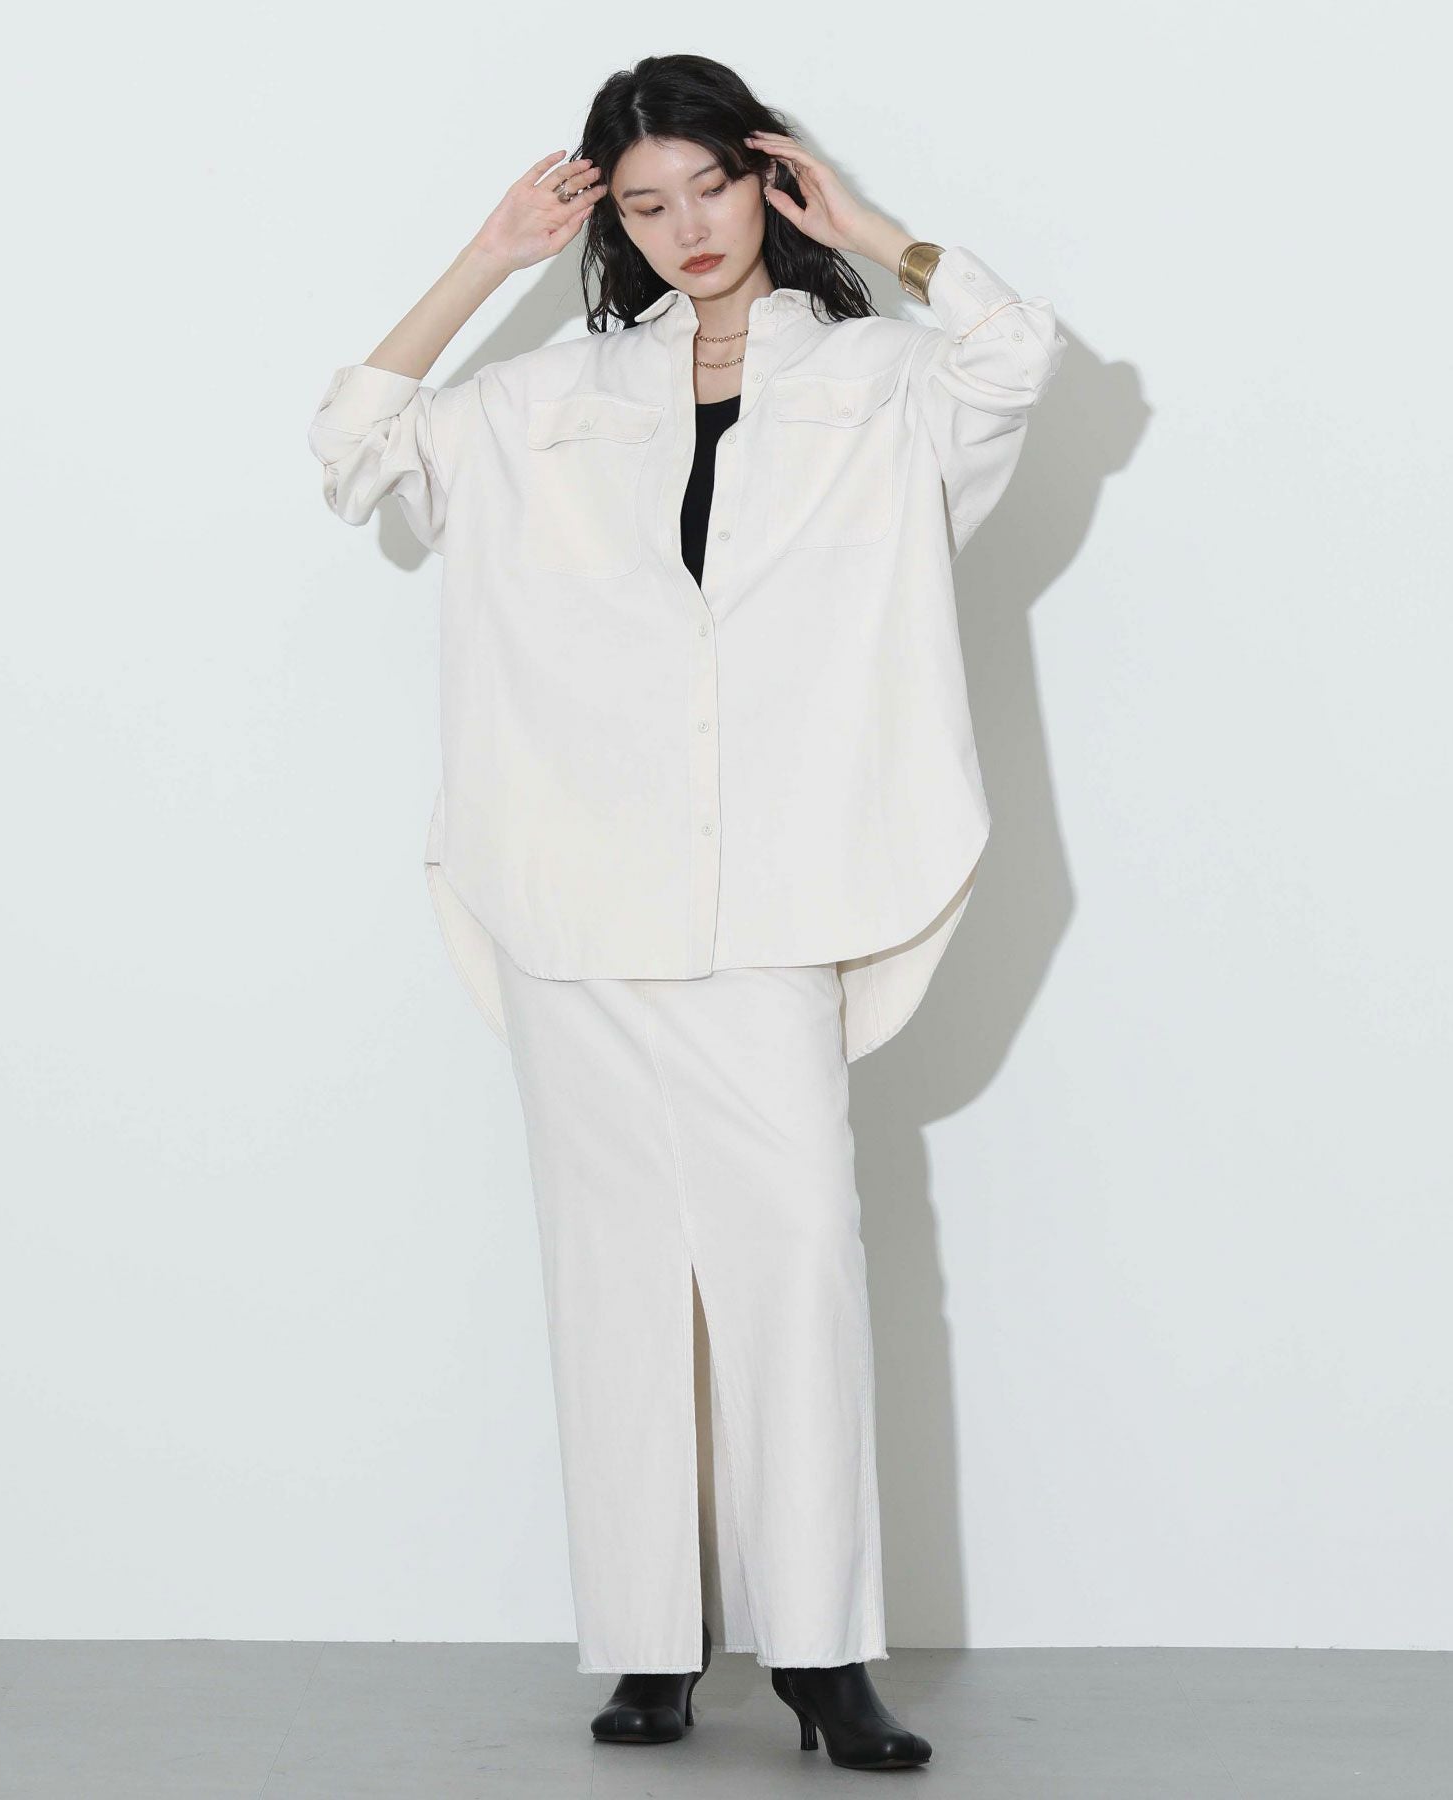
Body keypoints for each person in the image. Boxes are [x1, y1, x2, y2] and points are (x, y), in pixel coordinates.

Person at [307, 52, 1065, 1776]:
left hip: (770, 894)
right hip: (576, 894)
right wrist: (488, 259)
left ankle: (822, 1657)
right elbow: (353, 449)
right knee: (612, 1276)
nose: (684, 229)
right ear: (613, 225)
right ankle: (648, 1647)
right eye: (643, 206)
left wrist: (874, 232)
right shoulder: (552, 398)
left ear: (763, 179)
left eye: (710, 186)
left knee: (796, 1263)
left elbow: (1018, 356)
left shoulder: (877, 381)